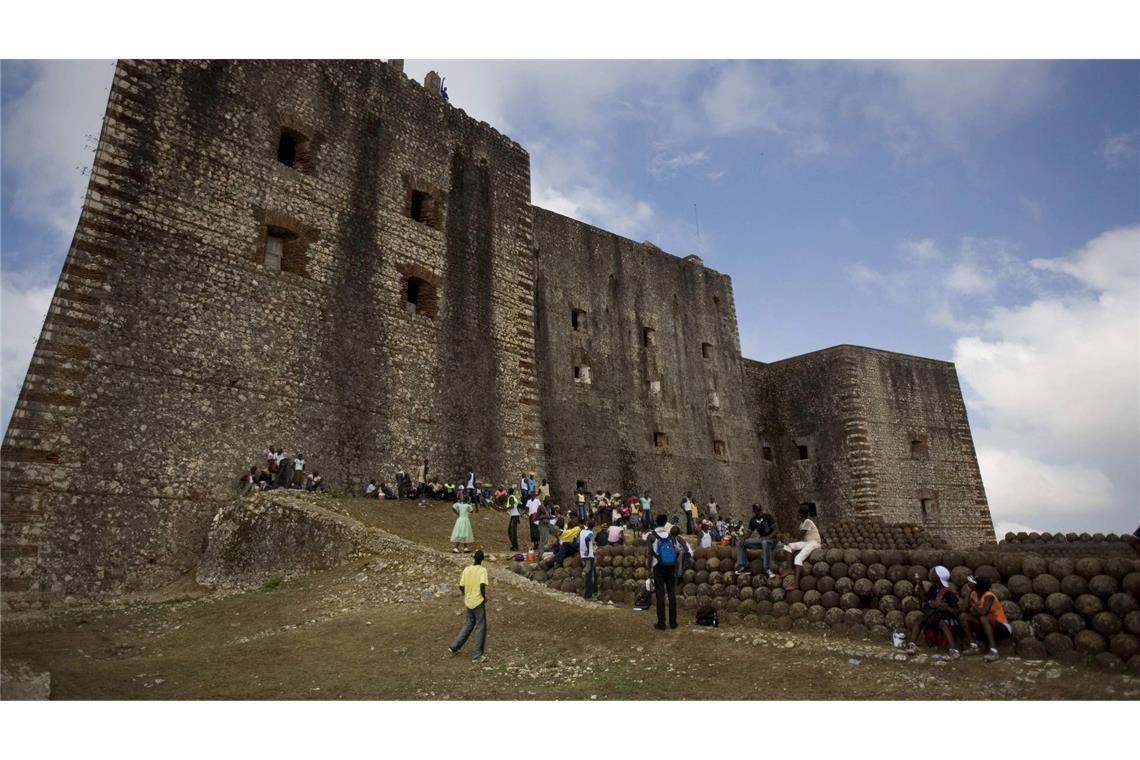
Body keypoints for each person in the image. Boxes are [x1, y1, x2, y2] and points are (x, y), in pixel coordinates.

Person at [907, 566, 961, 658]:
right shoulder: (934, 589)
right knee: (919, 619)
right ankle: (912, 645)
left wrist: (942, 606)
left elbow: (956, 611)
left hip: (945, 618)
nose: (931, 574)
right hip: (933, 616)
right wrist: (920, 584)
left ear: (939, 577)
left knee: (942, 623)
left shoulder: (949, 594)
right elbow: (925, 599)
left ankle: (953, 650)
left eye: (934, 573)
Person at [960, 575, 1011, 661]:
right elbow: (963, 609)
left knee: (983, 618)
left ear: (978, 586)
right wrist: (968, 593)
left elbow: (983, 612)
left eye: (973, 583)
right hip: (985, 627)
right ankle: (973, 645)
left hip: (1002, 627)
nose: (969, 584)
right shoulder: (973, 594)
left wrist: (973, 604)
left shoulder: (989, 596)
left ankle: (993, 650)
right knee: (963, 616)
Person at [448, 550, 487, 662]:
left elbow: (461, 586)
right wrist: (484, 597)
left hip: (469, 601)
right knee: (480, 627)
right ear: (482, 559)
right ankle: (477, 655)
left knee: (468, 624)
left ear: (473, 558)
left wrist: (466, 594)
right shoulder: (482, 570)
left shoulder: (467, 569)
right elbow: (482, 585)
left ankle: (454, 646)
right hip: (478, 602)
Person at [646, 515, 679, 630]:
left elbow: (649, 555)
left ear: (656, 522)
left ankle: (661, 623)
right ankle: (673, 622)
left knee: (660, 594)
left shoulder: (651, 536)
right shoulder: (670, 536)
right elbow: (676, 551)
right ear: (665, 523)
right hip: (670, 566)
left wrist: (648, 569)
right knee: (671, 594)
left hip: (658, 567)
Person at [781, 504, 821, 588]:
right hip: (806, 542)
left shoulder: (808, 521)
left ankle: (796, 584)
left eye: (797, 513)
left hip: (814, 542)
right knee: (788, 546)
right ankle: (790, 569)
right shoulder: (802, 524)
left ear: (800, 514)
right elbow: (800, 539)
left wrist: (789, 540)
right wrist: (789, 542)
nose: (796, 515)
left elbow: (799, 536)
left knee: (798, 558)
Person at [734, 504, 780, 577]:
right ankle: (744, 566)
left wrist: (768, 537)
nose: (759, 512)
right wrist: (742, 538)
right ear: (754, 511)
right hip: (761, 540)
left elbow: (776, 530)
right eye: (757, 510)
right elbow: (749, 533)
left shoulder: (768, 517)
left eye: (760, 510)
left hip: (772, 540)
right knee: (740, 543)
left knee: (765, 542)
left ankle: (767, 569)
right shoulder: (753, 520)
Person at [580, 519, 597, 599]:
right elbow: (587, 539)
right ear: (593, 527)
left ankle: (594, 590)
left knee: (592, 572)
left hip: (583, 555)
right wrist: (587, 549)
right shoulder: (590, 533)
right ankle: (588, 594)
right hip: (589, 555)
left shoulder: (582, 531)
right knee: (589, 575)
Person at [506, 487, 521, 551]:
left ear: (508, 492)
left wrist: (506, 508)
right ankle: (514, 545)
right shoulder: (513, 497)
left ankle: (515, 546)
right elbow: (516, 507)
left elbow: (512, 506)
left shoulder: (511, 497)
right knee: (511, 531)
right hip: (514, 515)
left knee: (512, 532)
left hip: (514, 516)